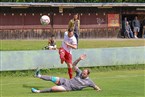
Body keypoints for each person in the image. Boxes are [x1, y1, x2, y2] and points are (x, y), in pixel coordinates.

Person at [31, 54, 101, 93]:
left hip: (67, 87)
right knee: (53, 78)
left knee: (53, 88)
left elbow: (96, 87)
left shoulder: (89, 82)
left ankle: (38, 91)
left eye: (84, 74)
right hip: (66, 81)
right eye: (83, 72)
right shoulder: (79, 72)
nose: (82, 74)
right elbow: (73, 65)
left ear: (88, 75)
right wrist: (79, 59)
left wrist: (98, 90)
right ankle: (38, 75)